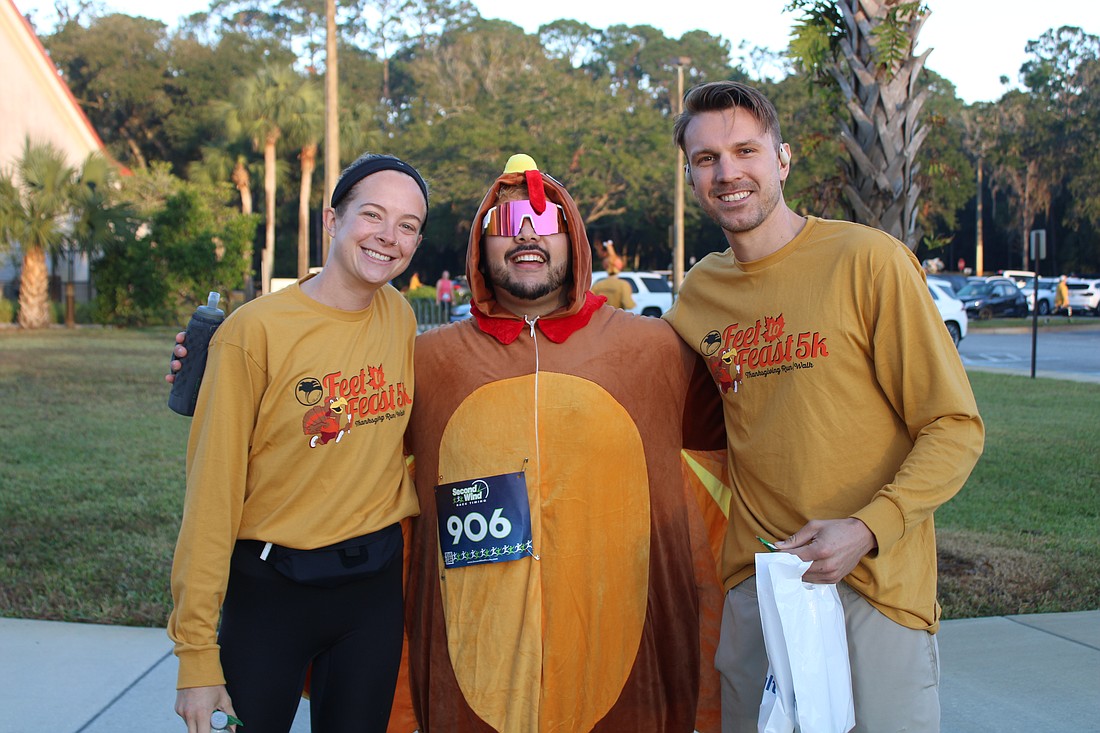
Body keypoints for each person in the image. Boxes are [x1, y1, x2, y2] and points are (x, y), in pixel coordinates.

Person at [666, 81, 985, 732]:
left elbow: (954, 427)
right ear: (693, 175)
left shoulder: (868, 261)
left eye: (745, 150)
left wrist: (867, 527)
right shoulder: (701, 293)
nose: (728, 172)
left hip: (875, 582)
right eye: (706, 159)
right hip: (761, 588)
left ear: (782, 160)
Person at [403, 154, 725, 732]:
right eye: (505, 225)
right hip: (479, 652)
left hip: (622, 647)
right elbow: (340, 435)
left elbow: (756, 428)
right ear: (481, 247)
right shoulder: (429, 362)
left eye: (544, 220)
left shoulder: (656, 351)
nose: (526, 235)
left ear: (572, 237)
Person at [167, 153, 427, 733]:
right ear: (333, 221)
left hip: (372, 591)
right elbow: (211, 497)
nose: (389, 237)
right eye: (373, 215)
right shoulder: (252, 334)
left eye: (408, 225)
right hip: (271, 592)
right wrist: (195, 655)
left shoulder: (400, 319)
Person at [591, 240, 636, 310]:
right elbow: (629, 305)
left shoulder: (598, 285)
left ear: (605, 266)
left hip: (601, 318)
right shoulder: (624, 285)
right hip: (617, 318)